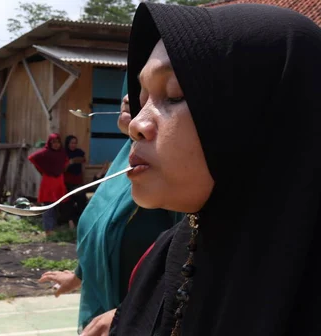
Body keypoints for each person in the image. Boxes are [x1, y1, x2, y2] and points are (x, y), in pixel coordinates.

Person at [109, 3, 321, 336]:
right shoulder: (167, 261)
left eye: (175, 94)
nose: (136, 123)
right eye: (142, 96)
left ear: (263, 117)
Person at [39, 95, 182, 335]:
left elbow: (193, 263)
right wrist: (78, 277)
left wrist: (130, 312)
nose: (127, 97)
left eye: (161, 90)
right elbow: (102, 232)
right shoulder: (124, 161)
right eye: (137, 86)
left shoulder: (175, 173)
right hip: (101, 318)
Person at [28, 133, 68, 236]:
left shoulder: (62, 153)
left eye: (57, 142)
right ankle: (48, 230)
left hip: (59, 181)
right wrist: (42, 170)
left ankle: (53, 228)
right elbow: (32, 158)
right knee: (48, 206)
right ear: (49, 143)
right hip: (48, 182)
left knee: (56, 206)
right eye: (53, 142)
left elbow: (65, 163)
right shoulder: (45, 153)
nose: (56, 144)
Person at [62, 135, 88, 229]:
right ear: (67, 143)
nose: (73, 145)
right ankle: (70, 222)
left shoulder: (79, 152)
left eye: (75, 143)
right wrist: (70, 162)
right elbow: (62, 169)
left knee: (81, 200)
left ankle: (82, 222)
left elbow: (83, 166)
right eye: (71, 143)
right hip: (67, 180)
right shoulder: (63, 153)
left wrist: (84, 179)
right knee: (69, 202)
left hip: (78, 180)